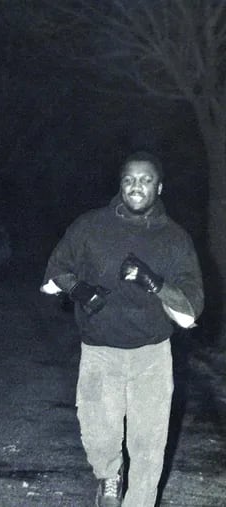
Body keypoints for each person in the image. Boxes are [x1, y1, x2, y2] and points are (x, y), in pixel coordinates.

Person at [41, 151, 204, 507]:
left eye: (146, 180)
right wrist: (79, 290)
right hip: (100, 350)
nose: (136, 187)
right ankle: (109, 475)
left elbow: (190, 311)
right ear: (120, 183)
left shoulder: (175, 239)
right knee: (99, 436)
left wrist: (155, 283)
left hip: (152, 355)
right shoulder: (90, 226)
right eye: (129, 179)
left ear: (159, 187)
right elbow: (56, 271)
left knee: (148, 446)